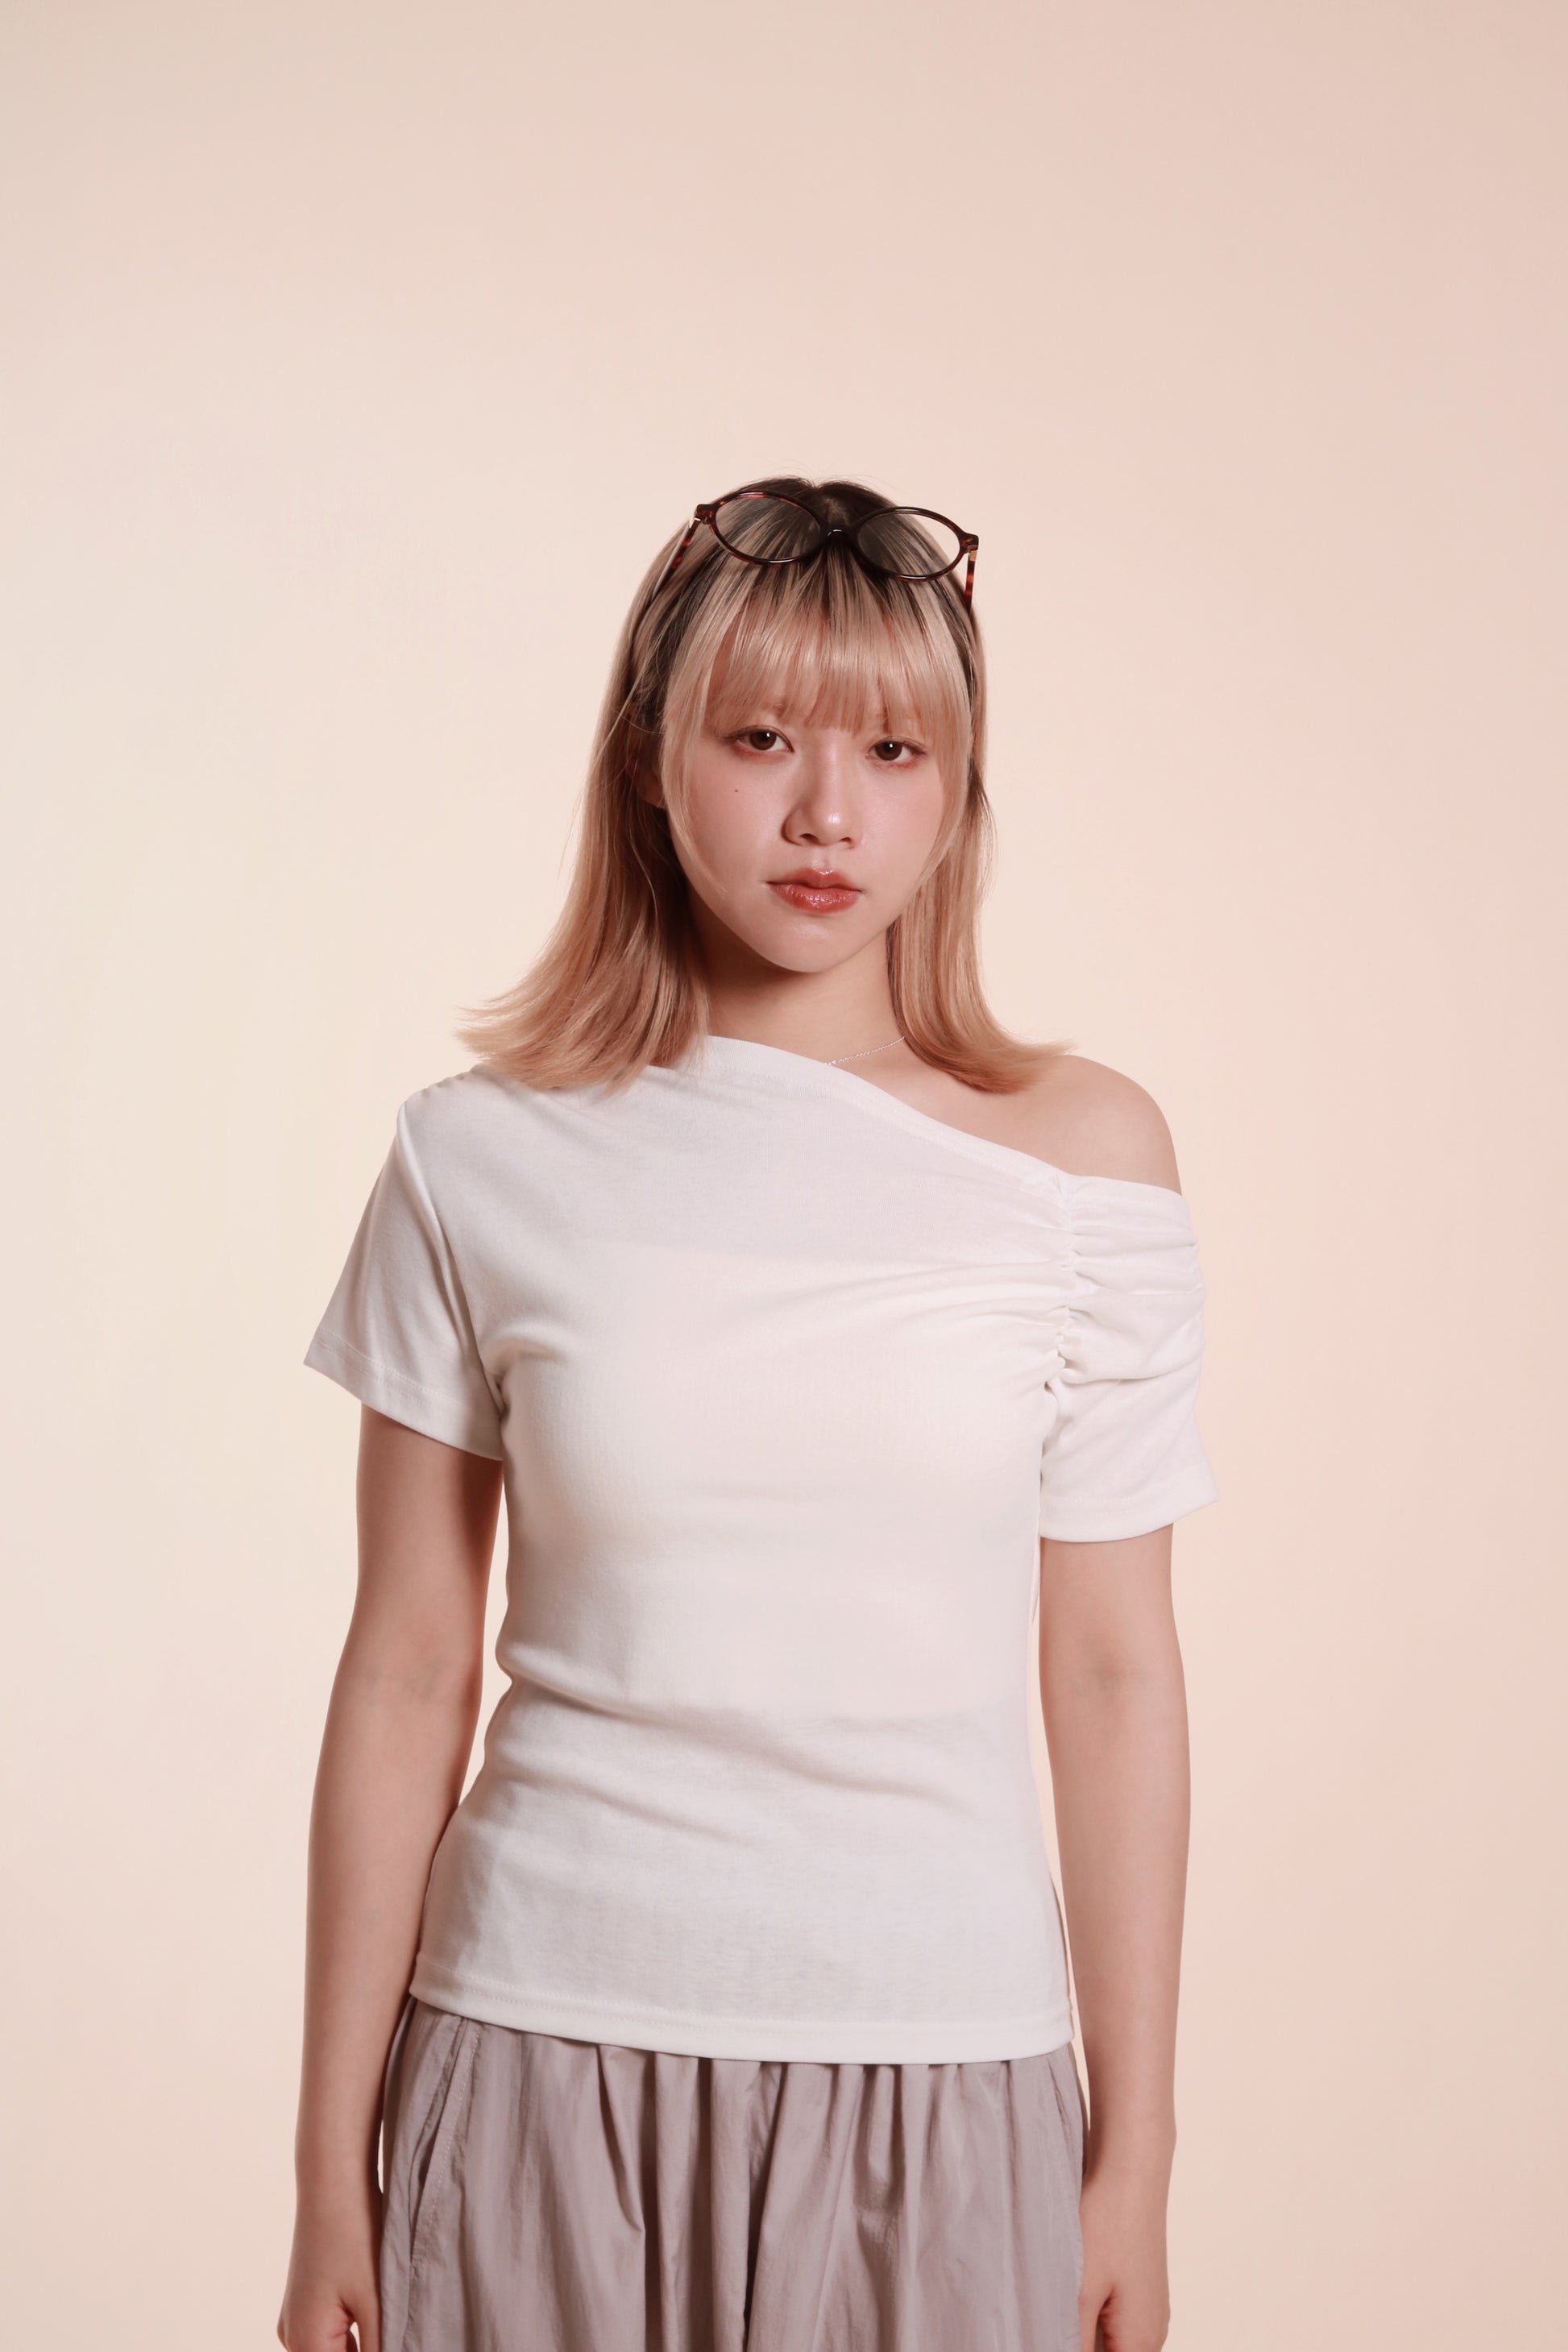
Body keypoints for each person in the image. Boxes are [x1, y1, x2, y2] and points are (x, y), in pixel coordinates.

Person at [277, 475, 1220, 2352]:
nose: (826, 813)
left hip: (942, 2065)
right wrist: (326, 2170)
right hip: (535, 2046)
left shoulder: (1085, 1160)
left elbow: (1114, 1671)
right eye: (760, 736)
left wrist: (1138, 2151)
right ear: (650, 757)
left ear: (957, 785)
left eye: (893, 749)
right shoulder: (479, 1157)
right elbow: (403, 1668)